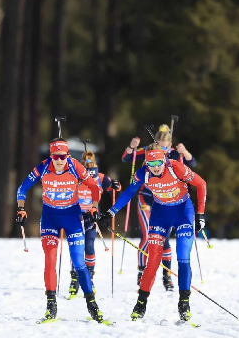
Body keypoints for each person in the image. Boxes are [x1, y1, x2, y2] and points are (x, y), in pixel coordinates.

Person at [98, 142, 207, 322]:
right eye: (151, 164)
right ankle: (140, 304)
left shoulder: (176, 168)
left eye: (158, 164)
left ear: (164, 160)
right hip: (160, 214)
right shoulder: (142, 174)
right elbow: (128, 193)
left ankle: (184, 303)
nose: (155, 168)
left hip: (183, 213)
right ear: (146, 164)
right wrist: (110, 213)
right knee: (153, 260)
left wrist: (201, 214)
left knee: (183, 258)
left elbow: (201, 184)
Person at [16, 138, 107, 323]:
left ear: (67, 155)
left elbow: (95, 187)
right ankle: (51, 306)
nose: (59, 160)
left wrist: (94, 207)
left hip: (72, 218)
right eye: (55, 156)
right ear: (51, 156)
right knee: (50, 259)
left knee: (79, 262)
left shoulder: (75, 167)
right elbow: (22, 188)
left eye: (62, 156)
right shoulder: (42, 167)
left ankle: (92, 305)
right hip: (50, 218)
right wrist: (21, 208)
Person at [122, 124, 197, 290]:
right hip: (146, 198)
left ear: (170, 145)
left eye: (165, 146)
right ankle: (142, 271)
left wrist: (184, 152)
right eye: (159, 144)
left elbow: (193, 163)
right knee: (148, 235)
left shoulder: (174, 155)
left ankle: (166, 274)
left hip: (166, 201)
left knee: (165, 241)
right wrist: (131, 147)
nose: (162, 149)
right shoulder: (149, 151)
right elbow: (127, 158)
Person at [68, 150, 121, 298]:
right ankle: (75, 278)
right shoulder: (76, 174)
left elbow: (114, 188)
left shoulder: (102, 177)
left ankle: (89, 277)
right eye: (87, 171)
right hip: (76, 215)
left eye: (93, 173)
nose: (90, 177)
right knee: (76, 245)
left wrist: (116, 185)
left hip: (92, 216)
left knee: (89, 245)